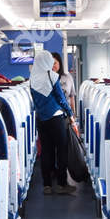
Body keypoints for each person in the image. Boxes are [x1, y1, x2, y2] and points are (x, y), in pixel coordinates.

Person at [29, 49, 75, 195]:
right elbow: (61, 98)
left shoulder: (32, 79)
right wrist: (70, 113)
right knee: (61, 150)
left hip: (41, 119)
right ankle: (62, 183)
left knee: (46, 152)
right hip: (56, 118)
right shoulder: (52, 76)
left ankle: (47, 185)